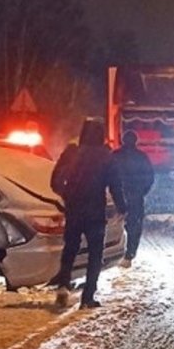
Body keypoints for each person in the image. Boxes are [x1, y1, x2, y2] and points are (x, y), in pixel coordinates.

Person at [49, 120, 127, 309]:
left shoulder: (72, 153)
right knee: (95, 254)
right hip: (95, 212)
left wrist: (67, 195)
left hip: (74, 209)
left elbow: (55, 181)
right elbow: (115, 185)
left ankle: (63, 285)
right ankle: (88, 297)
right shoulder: (106, 157)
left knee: (70, 249)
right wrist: (122, 207)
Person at [113, 130, 154, 268]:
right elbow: (149, 177)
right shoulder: (141, 157)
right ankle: (129, 253)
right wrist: (141, 192)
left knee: (115, 224)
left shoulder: (115, 156)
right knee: (134, 226)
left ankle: (113, 252)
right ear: (136, 141)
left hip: (116, 196)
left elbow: (106, 175)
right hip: (135, 197)